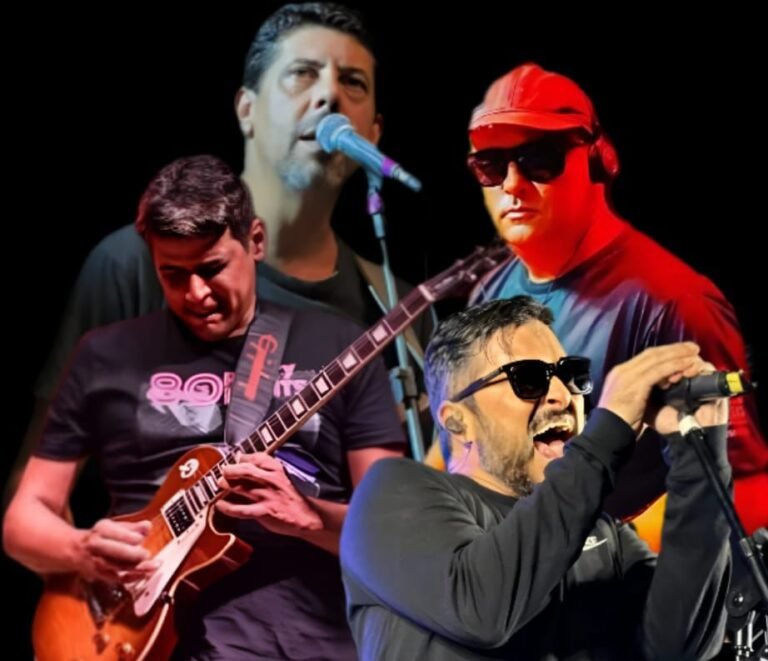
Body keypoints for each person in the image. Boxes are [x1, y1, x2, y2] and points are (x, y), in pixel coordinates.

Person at [6, 1, 433, 504]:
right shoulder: (135, 262)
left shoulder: (400, 312)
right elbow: (35, 491)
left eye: (353, 82)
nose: (329, 95)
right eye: (303, 73)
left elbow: (398, 512)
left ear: (374, 131)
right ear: (246, 108)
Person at [3, 155, 405, 659]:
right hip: (133, 636)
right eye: (172, 274)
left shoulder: (339, 346)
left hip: (307, 642)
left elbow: (395, 533)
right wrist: (81, 551)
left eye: (212, 269)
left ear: (255, 241)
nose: (196, 293)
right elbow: (24, 520)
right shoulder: (104, 354)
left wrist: (309, 517)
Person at [462, 62, 766, 534]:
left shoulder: (676, 302)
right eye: (490, 166)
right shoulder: (487, 293)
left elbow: (747, 487)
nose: (512, 185)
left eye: (540, 159)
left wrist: (609, 553)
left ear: (596, 160)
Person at [341, 297, 731, 660]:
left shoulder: (601, 533)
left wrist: (699, 463)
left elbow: (676, 649)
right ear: (458, 421)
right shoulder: (389, 494)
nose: (562, 394)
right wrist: (608, 432)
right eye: (528, 378)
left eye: (572, 375)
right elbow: (481, 608)